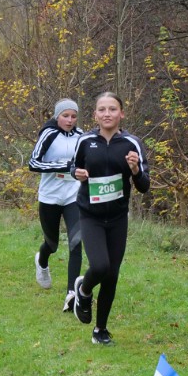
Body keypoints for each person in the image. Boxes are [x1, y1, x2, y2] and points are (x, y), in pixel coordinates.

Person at [70, 91, 150, 346]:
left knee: (112, 275)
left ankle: (100, 330)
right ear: (95, 114)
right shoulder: (85, 141)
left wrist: (135, 170)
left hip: (117, 217)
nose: (107, 114)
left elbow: (144, 186)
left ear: (121, 114)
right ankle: (83, 290)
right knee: (100, 267)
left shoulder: (132, 144)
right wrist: (77, 174)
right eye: (102, 109)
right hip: (90, 215)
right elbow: (73, 167)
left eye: (112, 109)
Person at [29, 98, 85, 313]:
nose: (70, 120)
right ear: (57, 116)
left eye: (73, 116)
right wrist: (63, 166)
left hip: (73, 195)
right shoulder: (49, 134)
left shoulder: (81, 136)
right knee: (51, 244)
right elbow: (33, 163)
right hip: (50, 196)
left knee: (76, 242)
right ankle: (42, 261)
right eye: (65, 116)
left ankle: (72, 294)